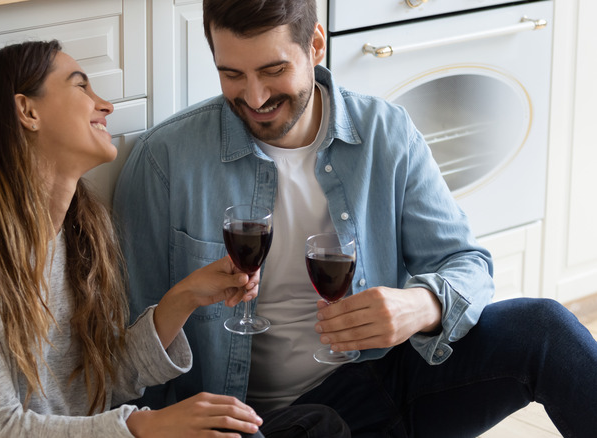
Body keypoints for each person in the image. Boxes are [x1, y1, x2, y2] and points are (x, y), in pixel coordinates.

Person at [112, 1, 597, 437]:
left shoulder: (386, 132)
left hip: (387, 378)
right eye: (232, 74)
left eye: (273, 69)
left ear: (316, 44)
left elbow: (466, 261)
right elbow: (130, 341)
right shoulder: (166, 161)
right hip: (262, 424)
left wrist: (422, 305)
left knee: (545, 329)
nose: (254, 97)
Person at [0, 39, 346, 438]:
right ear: (27, 111)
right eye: (82, 86)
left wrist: (183, 298)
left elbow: (101, 383)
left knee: (325, 421)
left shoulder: (79, 235)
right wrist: (142, 426)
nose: (105, 105)